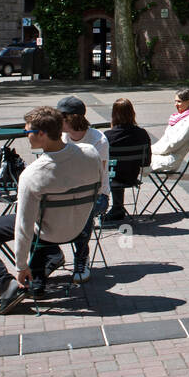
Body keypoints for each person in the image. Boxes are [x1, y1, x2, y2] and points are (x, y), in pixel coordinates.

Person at [0, 107, 101, 315]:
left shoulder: (32, 175)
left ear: (42, 134)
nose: (25, 136)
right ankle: (46, 265)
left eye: (27, 131)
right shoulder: (91, 153)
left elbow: (23, 226)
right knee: (41, 221)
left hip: (46, 233)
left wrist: (20, 266)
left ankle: (6, 285)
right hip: (78, 228)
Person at [57, 95, 108, 285]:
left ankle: (81, 258)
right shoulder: (61, 137)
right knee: (42, 209)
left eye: (60, 117)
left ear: (71, 118)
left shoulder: (98, 140)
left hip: (96, 195)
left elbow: (98, 176)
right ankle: (50, 255)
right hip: (65, 192)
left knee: (83, 211)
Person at [102, 97, 150, 225]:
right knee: (120, 169)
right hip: (132, 176)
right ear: (132, 113)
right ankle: (118, 208)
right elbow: (146, 161)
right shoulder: (142, 134)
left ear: (114, 115)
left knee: (110, 170)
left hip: (112, 178)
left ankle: (114, 208)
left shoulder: (107, 136)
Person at [152, 88, 189, 171]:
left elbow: (174, 144)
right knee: (132, 157)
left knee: (133, 160)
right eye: (175, 101)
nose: (176, 104)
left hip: (170, 159)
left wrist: (151, 150)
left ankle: (128, 182)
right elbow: (164, 140)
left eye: (179, 101)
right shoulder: (178, 117)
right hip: (162, 155)